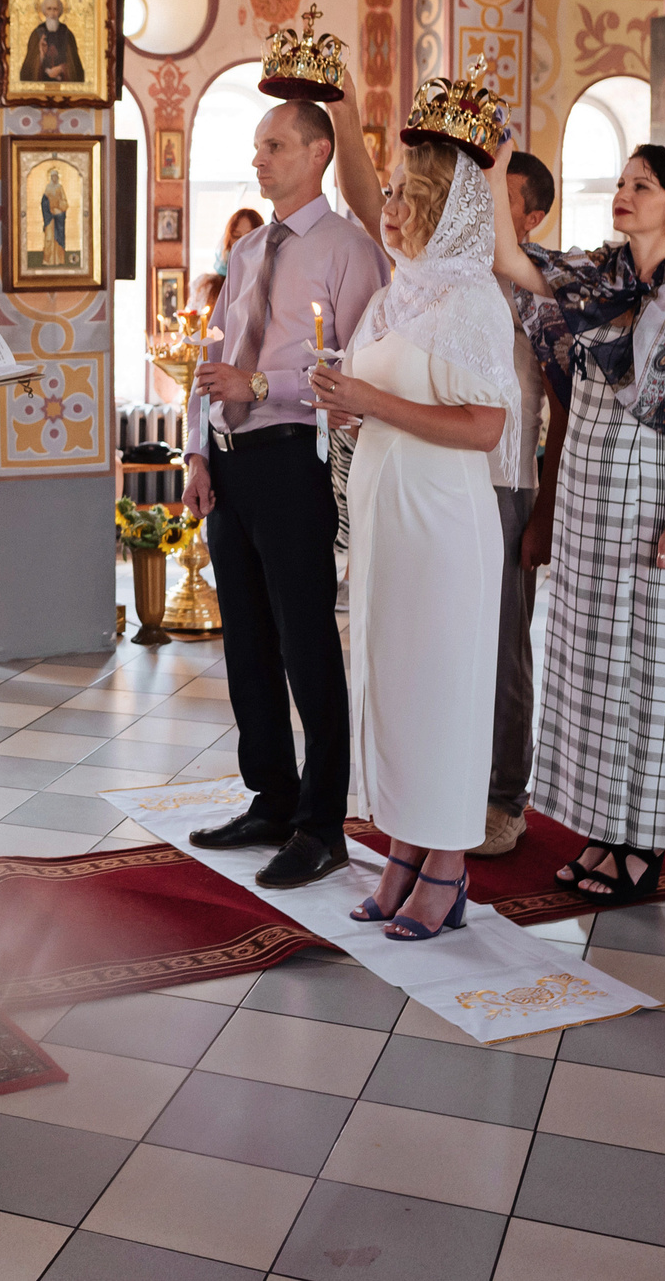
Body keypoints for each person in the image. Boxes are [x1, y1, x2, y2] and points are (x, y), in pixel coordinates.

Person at [488, 139, 665, 905]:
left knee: (653, 676)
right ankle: (606, 830)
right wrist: (494, 158)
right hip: (593, 510)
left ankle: (643, 847)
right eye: (622, 181)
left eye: (643, 185)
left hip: (661, 509)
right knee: (597, 672)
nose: (624, 192)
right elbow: (511, 258)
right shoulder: (600, 277)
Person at [182, 101, 388, 889]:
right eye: (257, 145)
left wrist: (263, 382)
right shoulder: (249, 249)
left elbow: (362, 374)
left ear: (318, 151)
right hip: (230, 462)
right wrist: (198, 452)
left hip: (293, 462)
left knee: (305, 644)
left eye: (274, 145)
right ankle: (271, 794)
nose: (260, 159)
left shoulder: (350, 252)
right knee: (246, 642)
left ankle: (322, 822)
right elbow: (213, 354)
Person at [313, 142, 512, 936]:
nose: (390, 210)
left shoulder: (474, 300)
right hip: (390, 520)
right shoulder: (400, 295)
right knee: (394, 684)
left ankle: (447, 869)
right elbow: (379, 394)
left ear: (449, 211)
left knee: (442, 693)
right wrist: (347, 404)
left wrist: (370, 398)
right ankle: (402, 848)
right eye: (390, 194)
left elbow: (486, 426)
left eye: (409, 198)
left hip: (444, 524)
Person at [478, 148, 566, 857]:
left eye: (500, 192)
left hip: (511, 483)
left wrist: (544, 510)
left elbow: (560, 406)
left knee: (507, 648)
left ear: (532, 216)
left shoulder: (543, 287)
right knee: (458, 643)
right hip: (447, 480)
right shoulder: (458, 271)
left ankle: (505, 796)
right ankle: (454, 780)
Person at [21, 0, 84, 83]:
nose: (52, 13)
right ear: (44, 11)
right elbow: (28, 67)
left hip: (64, 85)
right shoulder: (37, 34)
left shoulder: (67, 34)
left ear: (60, 12)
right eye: (49, 9)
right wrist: (41, 57)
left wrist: (62, 68)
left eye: (55, 9)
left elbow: (75, 65)